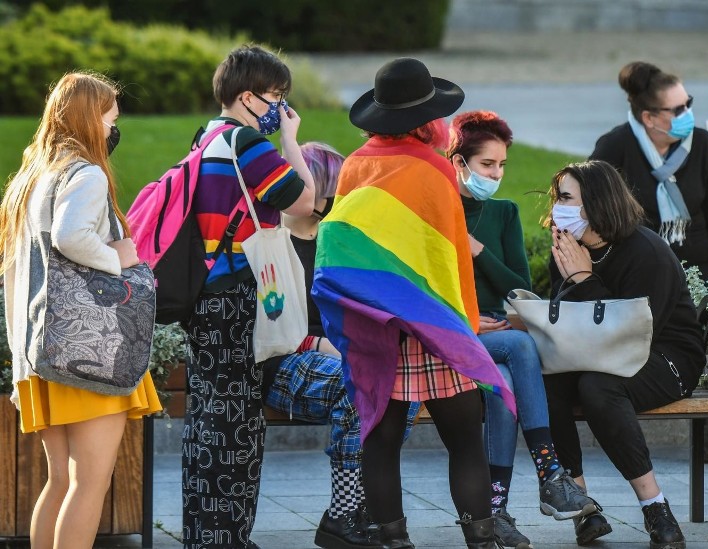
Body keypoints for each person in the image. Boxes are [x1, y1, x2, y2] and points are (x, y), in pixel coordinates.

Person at [311, 57, 515, 549]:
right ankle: (481, 541)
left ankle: (394, 542)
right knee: (465, 440)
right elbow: (447, 256)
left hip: (376, 326)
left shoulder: (356, 166)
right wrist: (464, 326)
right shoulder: (435, 168)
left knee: (380, 443)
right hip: (433, 324)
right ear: (428, 118)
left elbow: (344, 244)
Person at [0, 72, 162, 549]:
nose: (115, 126)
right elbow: (71, 237)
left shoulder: (33, 179)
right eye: (111, 116)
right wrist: (120, 257)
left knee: (60, 482)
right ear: (92, 118)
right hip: (89, 350)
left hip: (41, 351)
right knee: (89, 482)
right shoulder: (85, 174)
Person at [181, 45, 316, 549]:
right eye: (275, 96)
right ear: (247, 96)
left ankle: (206, 532)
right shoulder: (247, 144)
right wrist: (290, 140)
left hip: (205, 293)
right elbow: (305, 200)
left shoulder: (206, 138)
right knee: (238, 419)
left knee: (209, 414)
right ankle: (227, 537)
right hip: (239, 293)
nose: (280, 106)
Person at [446, 111, 598, 548]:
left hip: (498, 337)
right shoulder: (437, 211)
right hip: (455, 331)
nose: (496, 174)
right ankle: (550, 472)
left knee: (507, 379)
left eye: (501, 165)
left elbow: (519, 288)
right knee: (517, 347)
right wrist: (468, 322)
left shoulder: (504, 213)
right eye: (486, 165)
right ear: (458, 163)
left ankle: (496, 512)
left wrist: (477, 250)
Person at [260, 142, 418, 549]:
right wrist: (320, 344)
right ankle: (344, 514)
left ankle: (358, 504)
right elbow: (268, 323)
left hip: (342, 355)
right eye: (332, 190)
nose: (336, 200)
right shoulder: (271, 243)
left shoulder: (338, 239)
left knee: (405, 390)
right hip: (285, 360)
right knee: (359, 386)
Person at [541, 160, 704, 549]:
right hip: (596, 353)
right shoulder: (567, 248)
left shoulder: (647, 251)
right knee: (544, 380)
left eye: (566, 198)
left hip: (666, 356)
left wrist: (584, 280)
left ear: (596, 203)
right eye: (557, 198)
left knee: (598, 388)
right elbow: (565, 320)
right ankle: (583, 508)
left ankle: (656, 508)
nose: (556, 208)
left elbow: (632, 338)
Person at [589, 61, 708, 464]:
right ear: (649, 117)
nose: (688, 114)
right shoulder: (615, 147)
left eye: (689, 103)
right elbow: (595, 209)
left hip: (698, 269)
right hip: (643, 272)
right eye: (678, 109)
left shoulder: (702, 145)